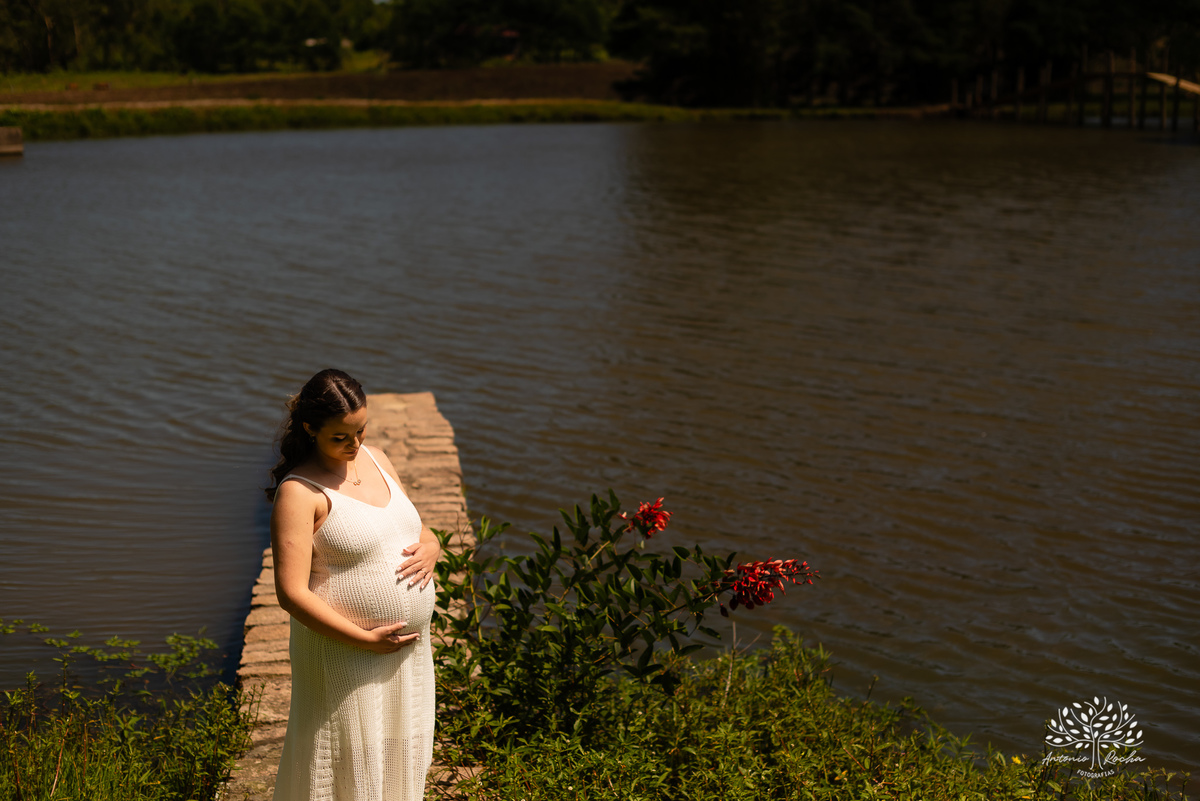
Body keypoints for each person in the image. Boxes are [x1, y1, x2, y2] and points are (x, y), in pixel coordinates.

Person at [265, 369, 440, 800]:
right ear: (310, 429)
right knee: (347, 765)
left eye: (361, 430)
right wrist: (364, 640)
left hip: (405, 654)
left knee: (400, 751)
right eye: (340, 437)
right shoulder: (299, 492)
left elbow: (413, 528)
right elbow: (291, 594)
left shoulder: (378, 459)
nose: (355, 444)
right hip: (343, 651)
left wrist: (433, 546)